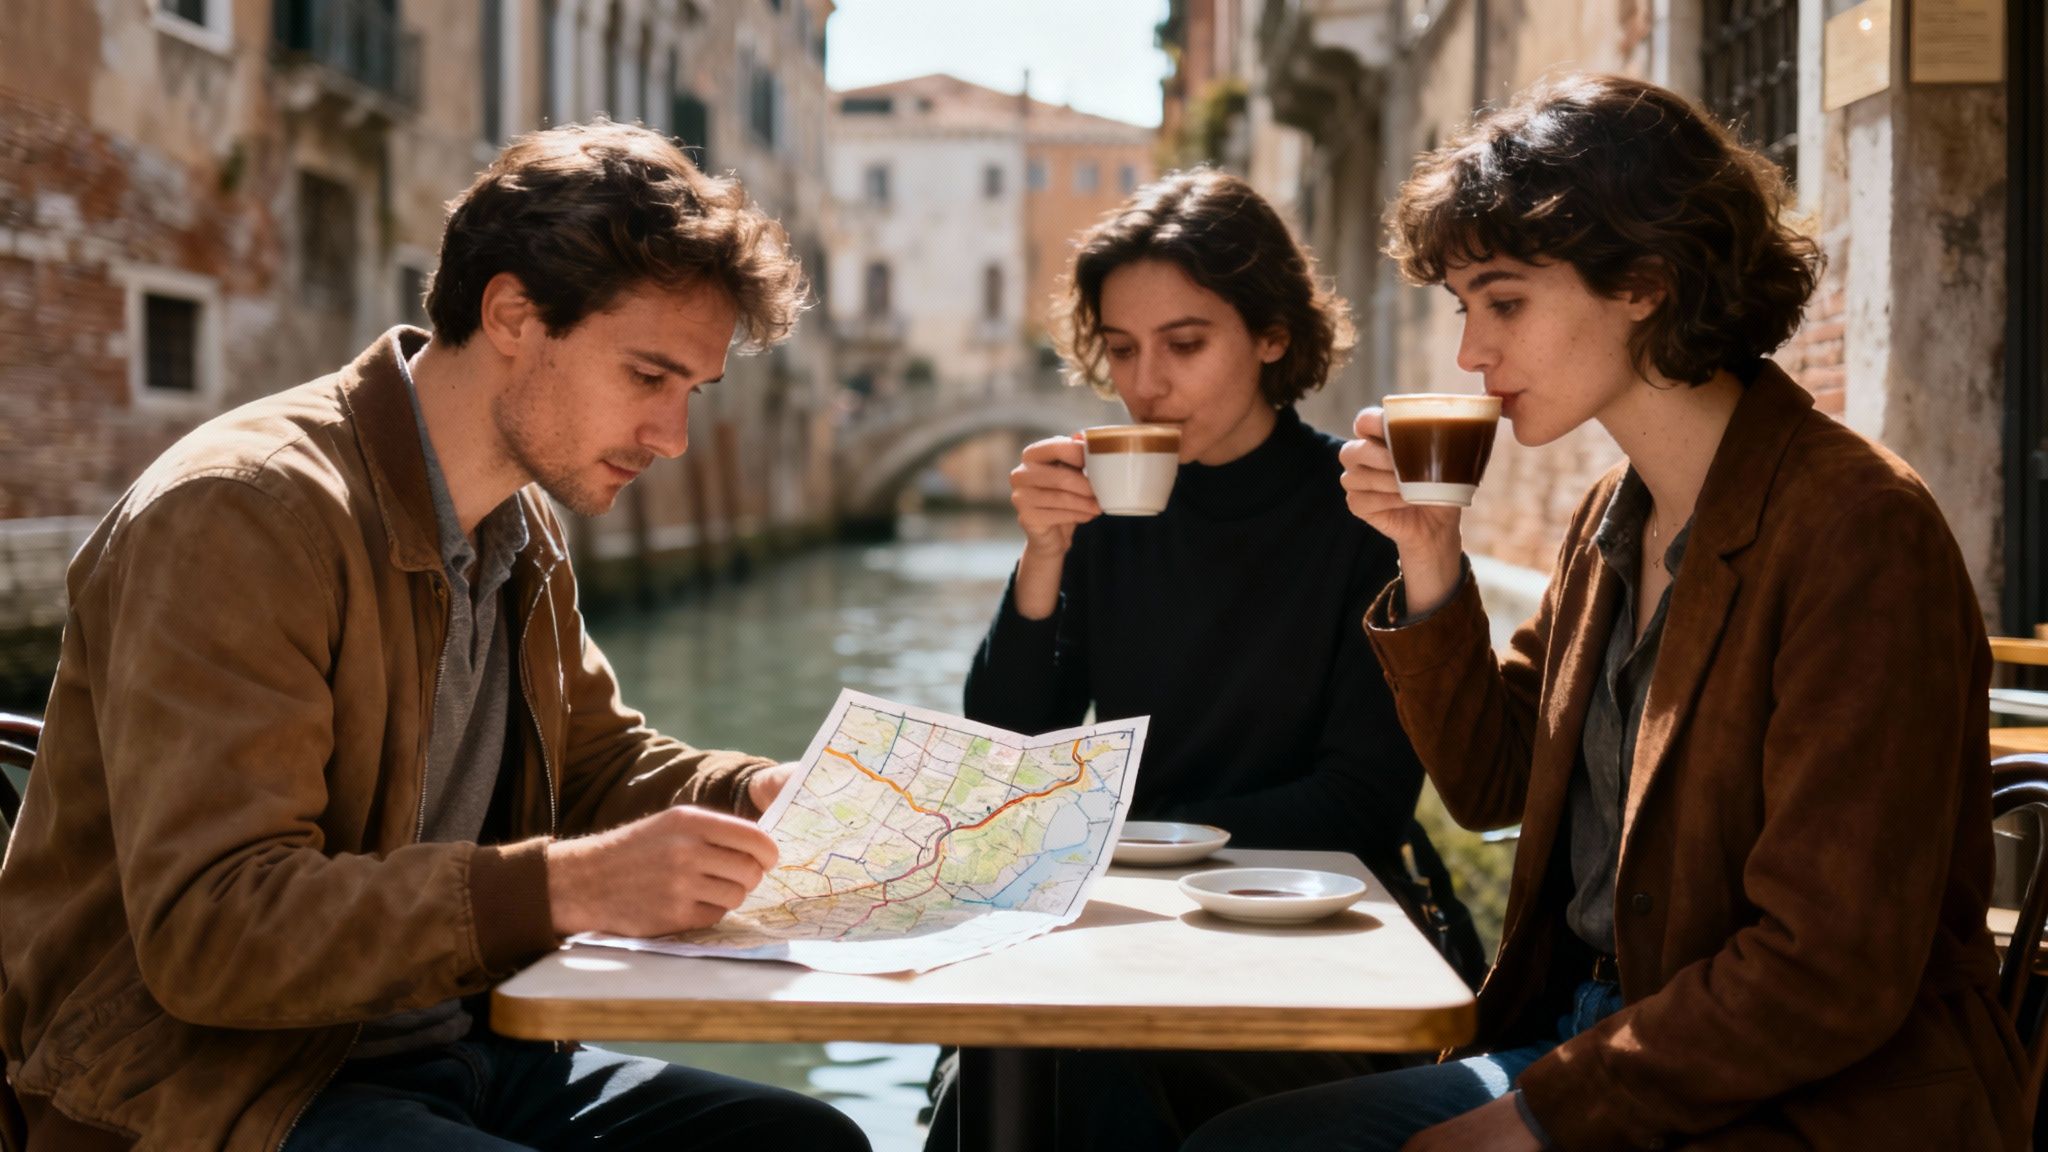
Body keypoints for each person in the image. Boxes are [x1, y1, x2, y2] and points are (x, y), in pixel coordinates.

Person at [1184, 73, 2026, 1152]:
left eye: (1503, 301)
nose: (1468, 355)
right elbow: (1491, 786)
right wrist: (1428, 556)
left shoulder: (1857, 528)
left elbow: (1828, 968)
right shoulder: (1605, 521)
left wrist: (1531, 1120)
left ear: (1642, 279)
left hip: (1807, 1101)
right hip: (1586, 1041)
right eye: (1461, 309)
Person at [0, 122, 869, 1152]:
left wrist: (756, 797)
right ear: (511, 313)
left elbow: (593, 763)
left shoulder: (519, 520)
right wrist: (568, 887)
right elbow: (212, 930)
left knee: (803, 1145)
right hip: (202, 1082)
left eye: (692, 392)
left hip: (453, 1044)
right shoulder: (240, 514)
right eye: (647, 377)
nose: (671, 437)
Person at [922, 169, 1482, 1151]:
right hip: (1130, 921)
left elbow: (1361, 804)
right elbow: (1011, 754)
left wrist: (1109, 834)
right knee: (1013, 1039)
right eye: (1122, 349)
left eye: (1184, 344)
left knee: (1075, 1046)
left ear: (1270, 336)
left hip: (1313, 930)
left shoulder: (1364, 517)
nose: (1145, 384)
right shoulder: (1106, 513)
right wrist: (1041, 560)